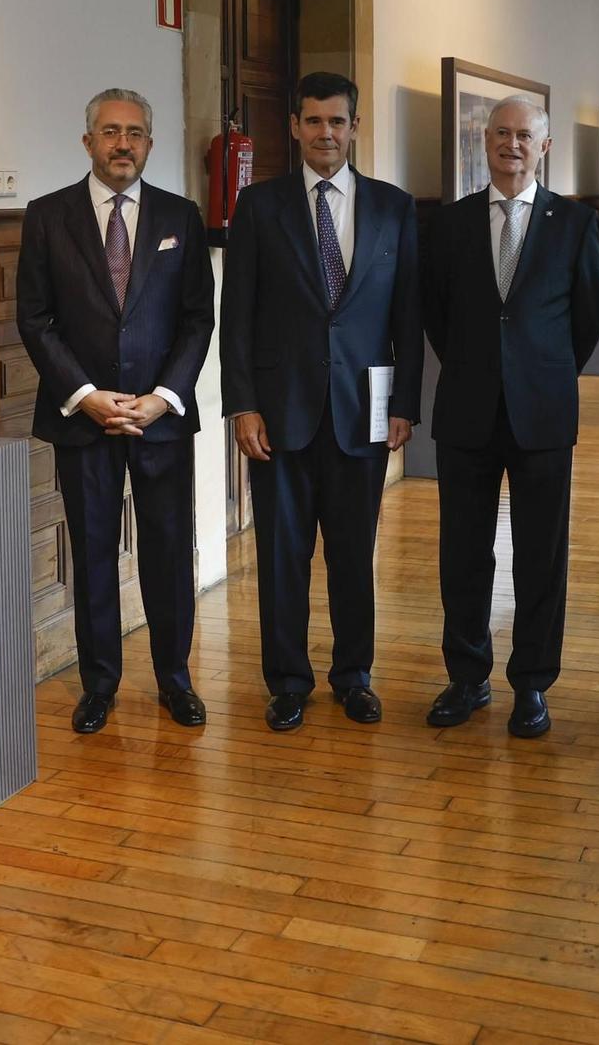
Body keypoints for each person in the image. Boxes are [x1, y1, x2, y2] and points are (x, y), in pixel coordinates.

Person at [221, 72, 422, 731]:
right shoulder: (259, 206)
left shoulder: (393, 207)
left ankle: (353, 676)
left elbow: (406, 315)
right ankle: (287, 682)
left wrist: (405, 404)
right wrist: (241, 404)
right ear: (294, 126)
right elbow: (238, 315)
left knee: (352, 556)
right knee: (281, 556)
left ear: (355, 127)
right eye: (313, 121)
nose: (326, 133)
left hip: (361, 413)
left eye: (337, 122)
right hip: (278, 416)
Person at [16, 89, 215, 734]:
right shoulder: (47, 218)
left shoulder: (181, 217)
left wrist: (162, 399)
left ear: (150, 144)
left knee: (166, 552)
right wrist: (86, 397)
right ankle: (99, 685)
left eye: (134, 133)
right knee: (94, 553)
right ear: (88, 142)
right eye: (109, 132)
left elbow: (196, 320)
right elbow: (36, 320)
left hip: (161, 421)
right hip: (84, 421)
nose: (122, 143)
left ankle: (175, 680)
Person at [422, 97, 599, 737]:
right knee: (463, 554)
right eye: (500, 133)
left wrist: (539, 371)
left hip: (544, 414)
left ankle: (532, 683)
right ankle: (466, 677)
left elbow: (588, 320)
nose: (511, 144)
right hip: (467, 411)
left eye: (524, 134)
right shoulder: (448, 225)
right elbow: (437, 317)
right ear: (484, 142)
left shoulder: (576, 224)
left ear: (545, 145)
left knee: (541, 555)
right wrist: (485, 368)